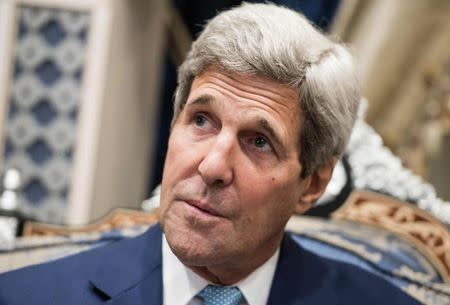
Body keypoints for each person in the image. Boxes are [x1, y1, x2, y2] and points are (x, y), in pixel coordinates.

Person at [0, 3, 422, 305]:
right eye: (202, 121)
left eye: (259, 141)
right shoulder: (25, 296)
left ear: (311, 184)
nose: (213, 165)